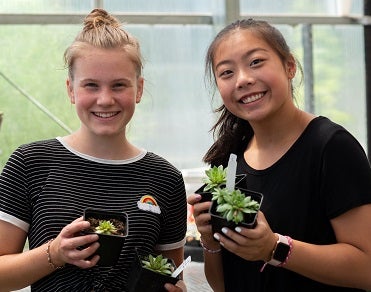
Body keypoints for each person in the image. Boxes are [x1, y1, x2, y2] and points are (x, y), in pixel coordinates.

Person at [0, 8, 187, 292]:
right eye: (91, 85)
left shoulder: (165, 178)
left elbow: (172, 274)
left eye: (119, 85)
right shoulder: (31, 163)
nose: (105, 99)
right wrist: (56, 253)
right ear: (71, 90)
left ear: (138, 89)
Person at [187, 18, 371, 292]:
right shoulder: (229, 160)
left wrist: (275, 249)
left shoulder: (331, 148)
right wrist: (210, 240)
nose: (243, 79)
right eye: (226, 72)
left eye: (256, 62)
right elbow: (224, 285)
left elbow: (366, 268)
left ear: (290, 66)